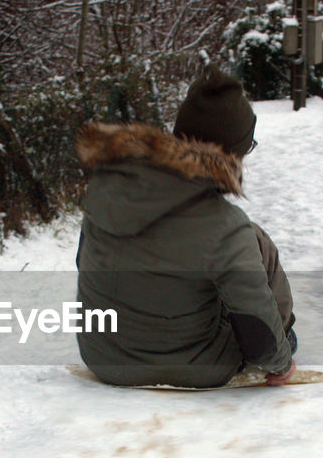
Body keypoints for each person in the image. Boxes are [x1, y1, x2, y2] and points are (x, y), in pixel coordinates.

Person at [75, 66, 296, 388]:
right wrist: (279, 361)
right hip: (198, 366)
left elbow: (85, 265)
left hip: (104, 357)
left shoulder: (104, 190)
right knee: (255, 241)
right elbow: (255, 322)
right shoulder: (227, 227)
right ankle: (286, 341)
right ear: (232, 153)